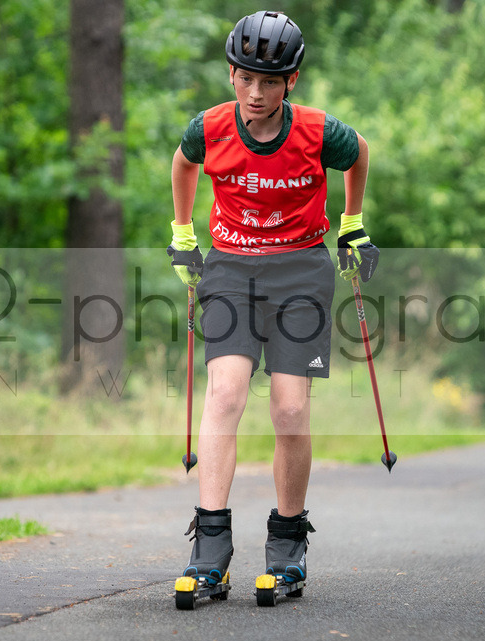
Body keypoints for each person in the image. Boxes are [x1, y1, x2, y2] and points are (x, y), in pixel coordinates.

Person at [167, 10, 378, 594]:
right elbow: (185, 165)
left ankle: (288, 541)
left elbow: (359, 152)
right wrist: (183, 233)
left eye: (271, 82)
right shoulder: (208, 128)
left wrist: (353, 224)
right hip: (232, 268)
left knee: (288, 410)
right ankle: (211, 548)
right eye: (245, 79)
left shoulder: (316, 132)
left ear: (293, 81)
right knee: (226, 392)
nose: (256, 93)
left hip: (302, 272)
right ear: (231, 73)